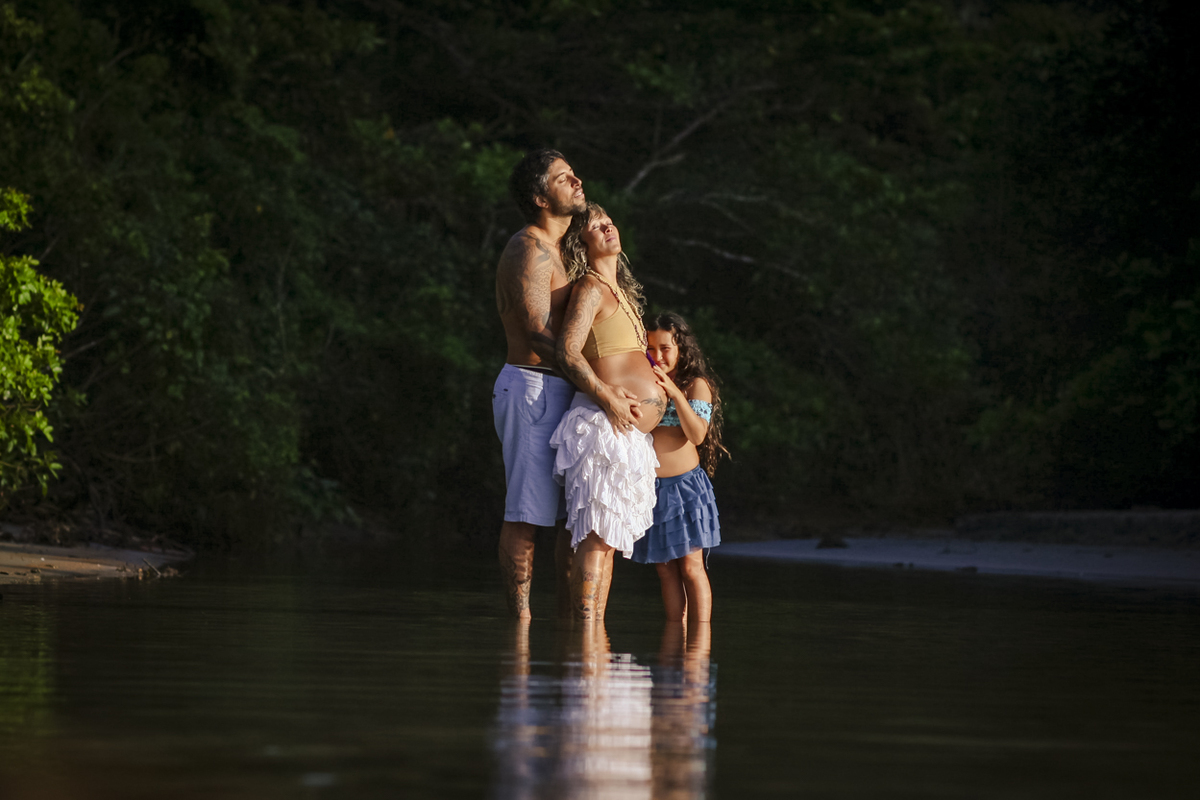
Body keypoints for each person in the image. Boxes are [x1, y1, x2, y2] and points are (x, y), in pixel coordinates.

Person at [551, 202, 667, 620]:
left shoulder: (625, 297)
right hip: (602, 427)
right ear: (582, 243)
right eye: (595, 226)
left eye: (608, 220)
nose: (607, 227)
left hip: (630, 437)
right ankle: (585, 638)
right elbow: (567, 351)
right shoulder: (590, 288)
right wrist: (607, 394)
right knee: (596, 538)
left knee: (610, 542)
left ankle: (593, 641)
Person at [494, 149, 586, 619]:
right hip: (533, 388)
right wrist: (600, 383)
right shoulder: (528, 246)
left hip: (566, 390)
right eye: (563, 177)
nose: (576, 180)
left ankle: (570, 629)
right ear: (539, 197)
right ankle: (521, 631)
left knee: (574, 522)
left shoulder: (564, 250)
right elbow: (536, 331)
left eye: (573, 174)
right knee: (527, 517)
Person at [631, 312, 729, 624]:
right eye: (651, 349)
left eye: (665, 348)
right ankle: (675, 638)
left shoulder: (696, 385)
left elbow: (698, 433)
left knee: (690, 566)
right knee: (664, 568)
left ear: (681, 348)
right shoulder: (644, 383)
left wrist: (674, 394)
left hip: (686, 488)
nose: (657, 356)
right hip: (652, 489)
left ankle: (700, 644)